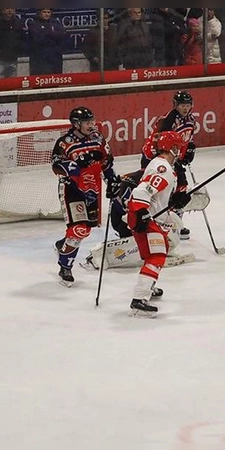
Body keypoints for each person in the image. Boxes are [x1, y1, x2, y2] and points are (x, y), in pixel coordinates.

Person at [126, 131, 193, 317]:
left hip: (148, 215)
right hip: (145, 216)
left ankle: (148, 286)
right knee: (156, 256)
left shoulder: (161, 165)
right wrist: (140, 213)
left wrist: (175, 200)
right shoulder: (162, 168)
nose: (180, 151)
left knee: (157, 251)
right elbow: (142, 191)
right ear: (172, 148)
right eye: (178, 147)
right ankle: (139, 301)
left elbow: (157, 196)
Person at [52, 107, 117, 287]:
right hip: (71, 189)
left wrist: (112, 181)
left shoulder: (98, 138)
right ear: (76, 124)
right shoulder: (64, 142)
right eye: (87, 122)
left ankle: (62, 245)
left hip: (92, 190)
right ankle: (65, 266)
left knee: (86, 229)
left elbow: (107, 162)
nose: (91, 125)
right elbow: (56, 166)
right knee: (79, 229)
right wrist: (78, 164)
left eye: (92, 121)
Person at [141, 90, 197, 240]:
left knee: (181, 188)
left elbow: (187, 139)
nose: (185, 108)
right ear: (175, 105)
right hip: (157, 158)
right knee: (161, 192)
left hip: (173, 157)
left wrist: (189, 150)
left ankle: (175, 224)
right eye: (182, 105)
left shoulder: (191, 119)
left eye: (187, 105)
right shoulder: (167, 120)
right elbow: (159, 142)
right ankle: (155, 222)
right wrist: (165, 159)